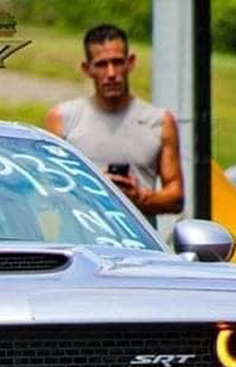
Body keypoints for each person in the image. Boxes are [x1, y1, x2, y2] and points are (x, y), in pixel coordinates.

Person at [45, 24, 184, 223]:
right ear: (87, 68)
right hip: (81, 245)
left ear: (130, 63)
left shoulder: (160, 121)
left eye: (117, 62)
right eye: (101, 64)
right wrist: (96, 188)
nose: (111, 73)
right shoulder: (63, 118)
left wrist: (140, 198)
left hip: (137, 248)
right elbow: (49, 190)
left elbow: (176, 196)